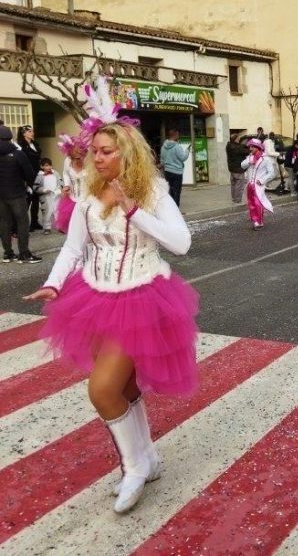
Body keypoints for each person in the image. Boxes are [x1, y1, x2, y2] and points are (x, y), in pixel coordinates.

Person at [24, 76, 198, 515]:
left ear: (127, 152)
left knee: (102, 390)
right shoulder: (86, 192)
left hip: (141, 296)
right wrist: (55, 282)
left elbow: (181, 243)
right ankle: (147, 460)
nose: (96, 158)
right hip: (95, 296)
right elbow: (72, 247)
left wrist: (134, 210)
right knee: (124, 386)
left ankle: (134, 466)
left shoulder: (152, 191)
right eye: (94, 151)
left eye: (105, 151)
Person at [0, 125, 42, 263]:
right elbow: (29, 173)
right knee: (22, 222)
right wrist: (28, 185)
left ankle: (8, 253)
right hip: (17, 193)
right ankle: (24, 253)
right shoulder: (17, 153)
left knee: (4, 223)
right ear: (10, 137)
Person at [55, 133, 89, 233]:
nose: (77, 159)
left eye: (80, 157)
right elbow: (65, 173)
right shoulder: (68, 161)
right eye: (74, 157)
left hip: (89, 201)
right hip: (72, 200)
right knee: (75, 230)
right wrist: (66, 185)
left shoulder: (90, 162)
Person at [241, 138, 274, 229]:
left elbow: (271, 173)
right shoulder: (250, 157)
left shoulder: (266, 159)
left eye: (252, 147)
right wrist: (249, 161)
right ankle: (254, 220)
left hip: (258, 185)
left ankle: (259, 222)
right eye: (250, 147)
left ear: (258, 147)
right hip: (249, 185)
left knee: (258, 203)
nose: (250, 149)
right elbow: (242, 165)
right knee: (251, 203)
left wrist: (262, 180)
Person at [17, 124, 42, 230]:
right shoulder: (21, 146)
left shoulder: (35, 144)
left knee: (36, 198)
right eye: (30, 131)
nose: (32, 133)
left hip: (37, 173)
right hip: (27, 175)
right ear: (24, 133)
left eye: (32, 131)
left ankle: (34, 222)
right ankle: (20, 224)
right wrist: (25, 180)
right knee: (27, 200)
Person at [159, 129, 190, 208]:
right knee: (177, 192)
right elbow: (183, 158)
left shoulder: (163, 147)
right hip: (177, 172)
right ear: (175, 135)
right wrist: (187, 151)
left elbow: (162, 161)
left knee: (170, 191)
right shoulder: (177, 146)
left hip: (167, 172)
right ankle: (176, 209)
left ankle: (170, 208)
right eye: (178, 134)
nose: (179, 136)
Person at [33, 157, 62, 233]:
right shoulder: (39, 176)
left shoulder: (56, 173)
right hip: (46, 197)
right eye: (46, 165)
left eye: (50, 165)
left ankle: (60, 226)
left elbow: (60, 182)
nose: (48, 167)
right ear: (42, 166)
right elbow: (35, 187)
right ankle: (47, 227)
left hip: (56, 195)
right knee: (47, 212)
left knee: (57, 210)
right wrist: (44, 190)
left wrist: (59, 189)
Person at [225, 131, 249, 204]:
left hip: (232, 169)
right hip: (238, 169)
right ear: (235, 139)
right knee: (239, 185)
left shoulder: (229, 146)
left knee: (233, 185)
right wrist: (248, 147)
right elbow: (246, 151)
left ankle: (234, 198)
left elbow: (241, 148)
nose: (239, 140)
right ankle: (237, 200)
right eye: (238, 138)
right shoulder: (237, 148)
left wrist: (243, 145)